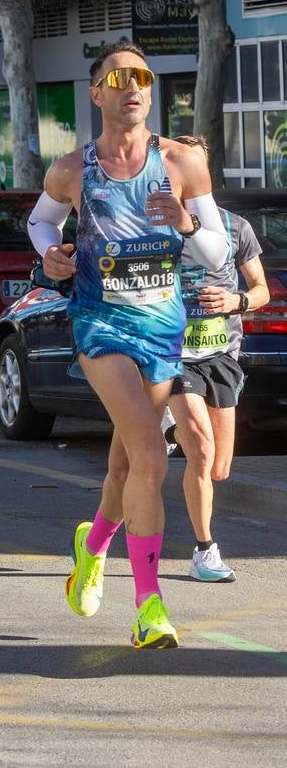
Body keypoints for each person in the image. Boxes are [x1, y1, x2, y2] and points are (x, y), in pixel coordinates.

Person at [28, 41, 230, 648]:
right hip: (100, 323)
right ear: (98, 94)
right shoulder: (72, 170)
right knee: (149, 456)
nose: (133, 86)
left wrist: (186, 225)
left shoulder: (180, 163)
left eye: (142, 76)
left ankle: (91, 548)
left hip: (162, 326)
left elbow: (218, 253)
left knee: (123, 465)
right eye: (119, 77)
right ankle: (150, 607)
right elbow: (41, 222)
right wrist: (52, 257)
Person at [166, 135, 269, 582]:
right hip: (171, 356)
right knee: (202, 454)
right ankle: (204, 550)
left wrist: (235, 301)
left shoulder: (235, 227)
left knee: (220, 467)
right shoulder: (155, 227)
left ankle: (168, 429)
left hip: (222, 353)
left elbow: (262, 289)